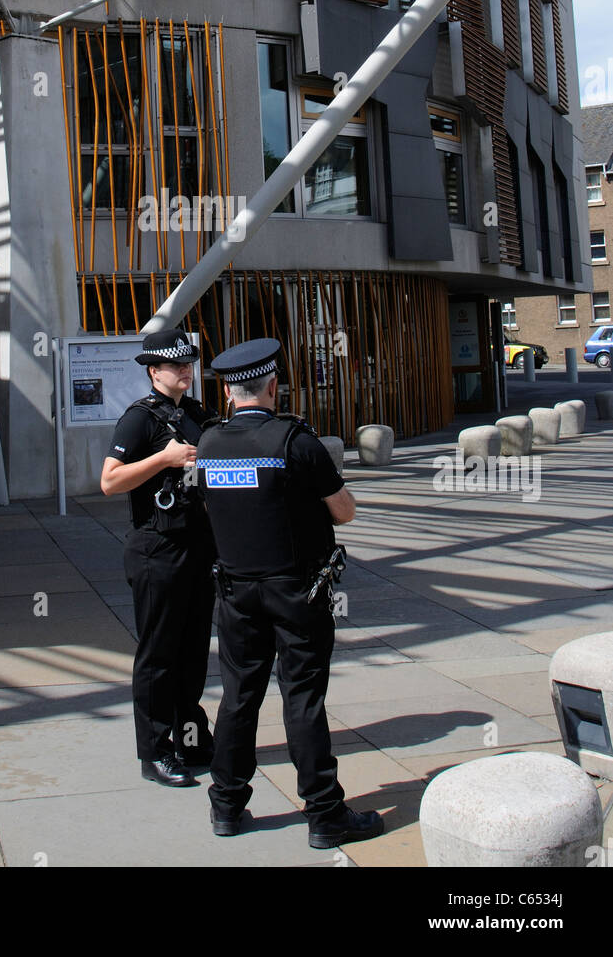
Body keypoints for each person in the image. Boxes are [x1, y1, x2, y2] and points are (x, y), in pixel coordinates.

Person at [196, 337, 385, 848]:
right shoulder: (296, 442)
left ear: (231, 393)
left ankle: (227, 807)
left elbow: (214, 511)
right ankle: (324, 815)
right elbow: (344, 511)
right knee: (302, 698)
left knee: (238, 698)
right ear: (274, 385)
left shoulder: (210, 444)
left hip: (236, 591)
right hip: (295, 590)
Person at [101, 328, 217, 787]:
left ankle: (190, 738)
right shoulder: (139, 419)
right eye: (175, 365)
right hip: (157, 549)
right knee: (158, 655)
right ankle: (154, 752)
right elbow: (110, 481)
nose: (185, 370)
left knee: (192, 652)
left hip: (197, 544)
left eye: (188, 363)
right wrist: (163, 460)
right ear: (154, 371)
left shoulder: (197, 414)